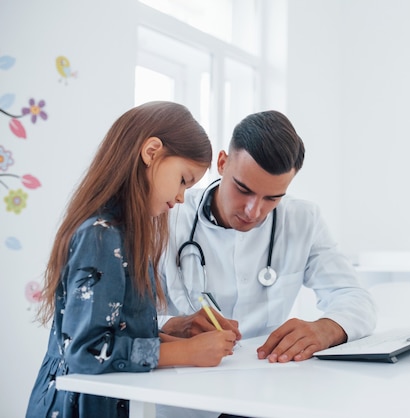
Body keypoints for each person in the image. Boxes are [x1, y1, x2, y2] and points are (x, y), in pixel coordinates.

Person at [26, 101, 237, 418]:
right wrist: (185, 352)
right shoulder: (100, 236)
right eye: (183, 180)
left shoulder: (126, 236)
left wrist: (177, 334)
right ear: (151, 152)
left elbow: (117, 332)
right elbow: (86, 352)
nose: (181, 198)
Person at [159, 109, 376, 358]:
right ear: (222, 163)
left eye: (272, 198)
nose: (253, 211)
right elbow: (120, 320)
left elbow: (356, 298)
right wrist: (173, 325)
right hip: (184, 381)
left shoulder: (302, 220)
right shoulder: (168, 215)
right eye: (243, 189)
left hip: (268, 378)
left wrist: (327, 329)